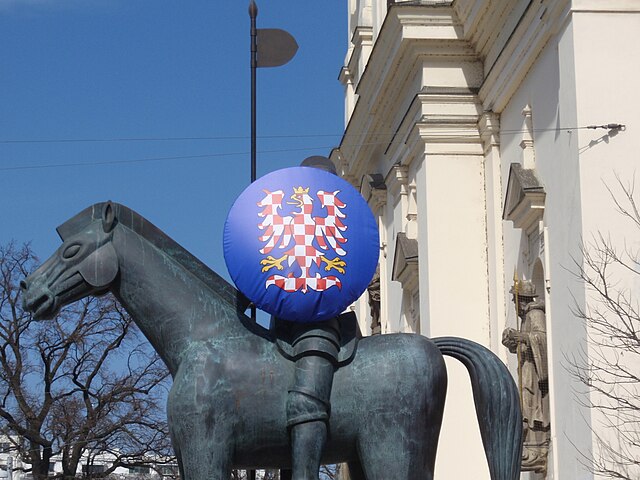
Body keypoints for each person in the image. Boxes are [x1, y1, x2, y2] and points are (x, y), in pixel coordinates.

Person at [502, 280, 550, 474]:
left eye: (515, 299)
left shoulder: (535, 314)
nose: (514, 303)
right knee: (525, 400)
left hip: (534, 371)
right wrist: (511, 341)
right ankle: (530, 441)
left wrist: (522, 337)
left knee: (530, 399)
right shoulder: (526, 317)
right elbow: (524, 345)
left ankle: (536, 443)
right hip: (527, 367)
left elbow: (542, 339)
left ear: (522, 300)